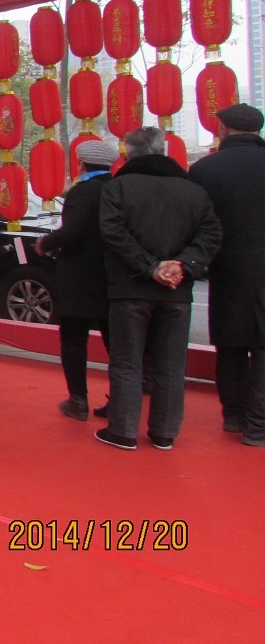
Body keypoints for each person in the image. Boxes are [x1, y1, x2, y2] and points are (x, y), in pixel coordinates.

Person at [97, 126, 221, 451]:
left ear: (128, 153)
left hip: (130, 287)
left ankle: (123, 430)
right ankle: (164, 432)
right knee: (170, 364)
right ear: (163, 150)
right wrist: (182, 264)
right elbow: (211, 233)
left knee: (127, 361)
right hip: (176, 289)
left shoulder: (118, 187)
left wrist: (150, 266)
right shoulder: (192, 190)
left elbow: (112, 233)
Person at [187, 103, 265, 446]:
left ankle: (234, 415)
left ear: (222, 129)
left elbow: (194, 221)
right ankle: (258, 426)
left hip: (228, 268)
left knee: (230, 345)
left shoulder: (205, 169)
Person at [34, 139, 117, 421]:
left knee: (73, 341)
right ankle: (119, 400)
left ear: (81, 164)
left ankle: (78, 400)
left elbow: (73, 231)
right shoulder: (117, 188)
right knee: (115, 344)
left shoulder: (82, 192)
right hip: (112, 276)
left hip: (80, 277)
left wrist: (47, 242)